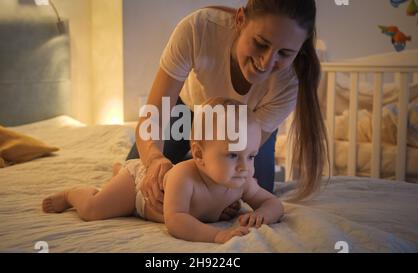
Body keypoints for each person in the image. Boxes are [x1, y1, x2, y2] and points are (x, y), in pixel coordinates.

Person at [125, 0, 328, 221]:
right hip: (190, 112)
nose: (267, 62)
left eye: (285, 53)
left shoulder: (291, 80)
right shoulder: (198, 28)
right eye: (261, 43)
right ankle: (178, 160)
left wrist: (213, 194)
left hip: (246, 128)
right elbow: (153, 116)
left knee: (255, 187)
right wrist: (154, 158)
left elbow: (238, 155)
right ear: (240, 20)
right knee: (137, 176)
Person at [42, 98, 284, 244]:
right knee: (92, 209)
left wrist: (262, 215)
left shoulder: (241, 180)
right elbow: (176, 220)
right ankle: (73, 193)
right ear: (198, 155)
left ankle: (116, 172)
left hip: (149, 190)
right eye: (232, 155)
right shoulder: (183, 177)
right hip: (138, 190)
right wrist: (215, 236)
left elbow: (273, 204)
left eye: (250, 155)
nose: (245, 166)